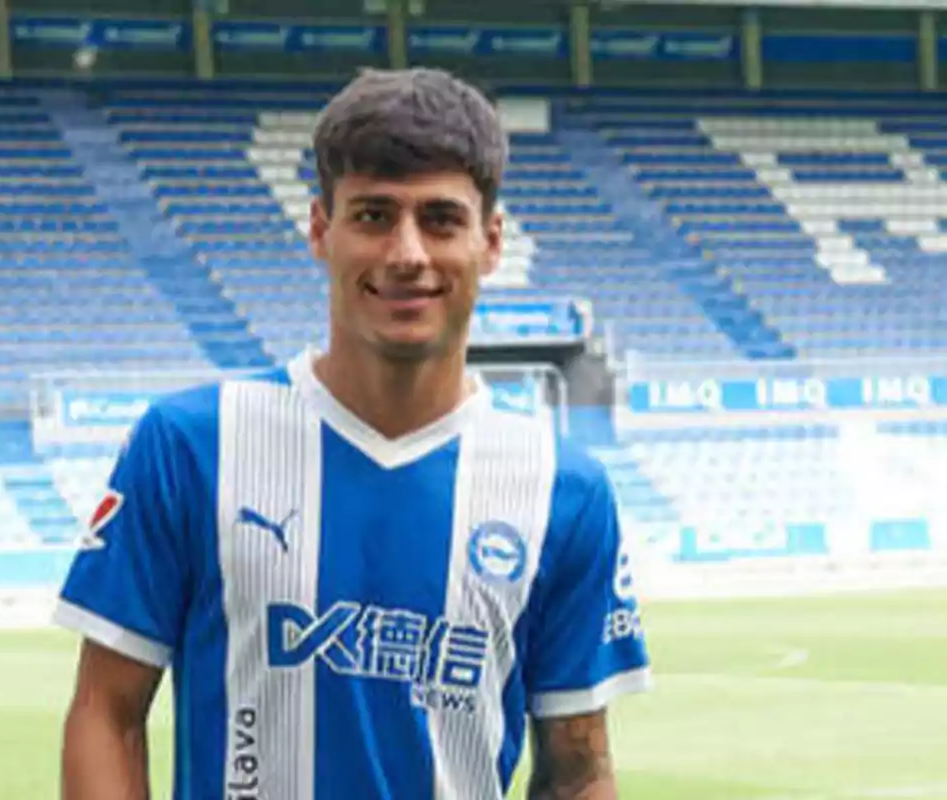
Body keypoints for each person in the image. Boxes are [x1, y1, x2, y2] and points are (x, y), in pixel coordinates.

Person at [54, 67, 651, 800]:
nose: (407, 254)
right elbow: (105, 712)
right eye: (373, 215)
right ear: (319, 230)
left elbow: (578, 769)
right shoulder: (189, 446)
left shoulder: (567, 492)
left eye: (440, 218)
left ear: (491, 242)